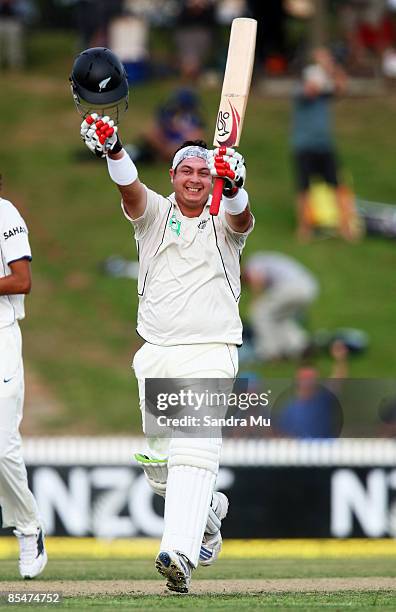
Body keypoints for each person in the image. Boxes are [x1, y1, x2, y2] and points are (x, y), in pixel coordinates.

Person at [70, 47, 254, 594]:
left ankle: (177, 554)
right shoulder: (153, 215)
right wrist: (113, 149)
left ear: (213, 181)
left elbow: (243, 217)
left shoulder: (225, 220)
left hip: (211, 349)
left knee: (196, 449)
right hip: (156, 352)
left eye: (205, 171)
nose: (196, 178)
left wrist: (237, 185)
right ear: (173, 178)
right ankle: (210, 515)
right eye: (186, 170)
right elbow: (129, 191)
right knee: (161, 470)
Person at [0, 180, 47, 578]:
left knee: (2, 447)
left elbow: (21, 280)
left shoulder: (5, 213)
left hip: (1, 337)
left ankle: (29, 529)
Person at [291, 47, 357, 241]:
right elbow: (310, 90)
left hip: (325, 145)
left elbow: (342, 86)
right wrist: (323, 66)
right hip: (303, 146)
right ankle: (304, 228)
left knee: (337, 186)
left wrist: (330, 65)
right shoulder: (300, 90)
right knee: (304, 188)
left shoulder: (325, 92)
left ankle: (345, 227)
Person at [243, 252, 319, 362]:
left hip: (292, 286)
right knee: (281, 317)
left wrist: (255, 299)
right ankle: (299, 346)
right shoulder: (268, 260)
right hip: (309, 287)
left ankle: (270, 352)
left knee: (259, 312)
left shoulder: (253, 262)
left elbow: (257, 278)